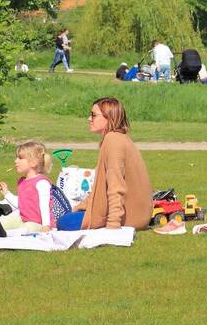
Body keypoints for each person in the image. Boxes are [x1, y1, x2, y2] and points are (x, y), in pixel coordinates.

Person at [58, 98, 154, 230]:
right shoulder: (118, 138)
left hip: (131, 218)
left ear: (109, 117)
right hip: (138, 215)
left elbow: (116, 185)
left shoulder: (113, 140)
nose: (89, 119)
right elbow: (101, 190)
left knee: (63, 222)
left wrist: (113, 224)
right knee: (69, 215)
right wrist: (80, 207)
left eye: (94, 115)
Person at [0, 140, 57, 232]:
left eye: (20, 158)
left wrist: (46, 227)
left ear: (33, 163)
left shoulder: (41, 183)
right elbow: (22, 204)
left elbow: (44, 207)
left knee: (24, 230)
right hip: (24, 220)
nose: (15, 161)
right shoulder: (22, 182)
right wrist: (6, 193)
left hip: (39, 224)